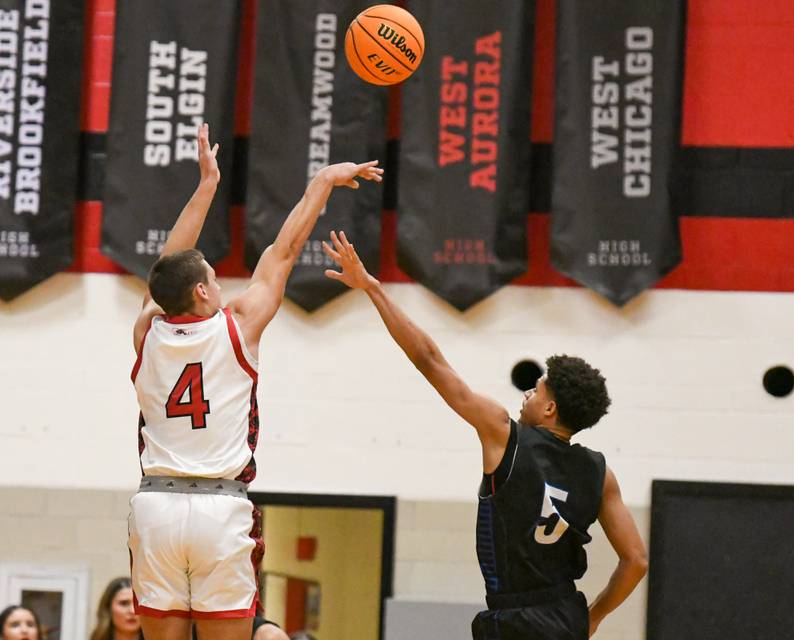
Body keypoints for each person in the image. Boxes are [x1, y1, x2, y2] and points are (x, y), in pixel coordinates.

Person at [321, 231, 649, 640]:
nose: (527, 395)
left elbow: (429, 360)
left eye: (536, 390)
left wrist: (372, 288)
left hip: (514, 620)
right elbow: (636, 560)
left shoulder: (504, 434)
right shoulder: (601, 474)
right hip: (566, 616)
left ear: (550, 409)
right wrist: (592, 617)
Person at [128, 125, 382, 640]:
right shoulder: (239, 326)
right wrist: (322, 184)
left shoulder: (147, 330)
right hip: (220, 508)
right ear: (202, 291)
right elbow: (282, 252)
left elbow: (165, 268)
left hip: (156, 505)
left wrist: (207, 187)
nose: (221, 282)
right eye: (213, 276)